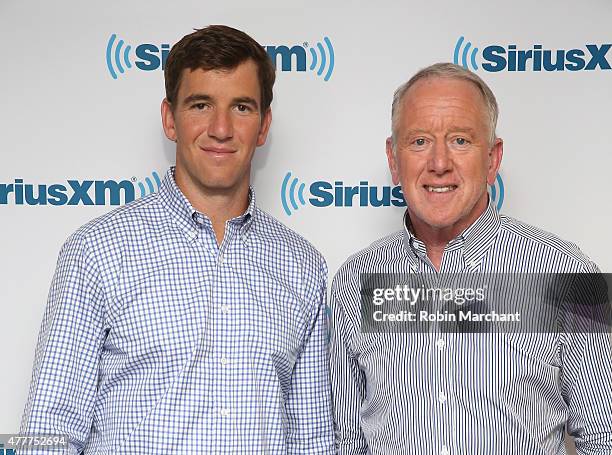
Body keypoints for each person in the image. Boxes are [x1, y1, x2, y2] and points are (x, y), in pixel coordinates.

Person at [21, 25, 334, 454]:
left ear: (264, 126)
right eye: (201, 104)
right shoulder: (97, 251)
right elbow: (48, 432)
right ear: (170, 119)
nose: (221, 128)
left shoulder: (303, 265)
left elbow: (313, 440)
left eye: (241, 107)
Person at [330, 62, 612, 454]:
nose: (440, 163)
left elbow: (604, 438)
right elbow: (348, 443)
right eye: (419, 142)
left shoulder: (569, 274)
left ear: (493, 159)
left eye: (461, 140)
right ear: (394, 160)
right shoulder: (355, 280)